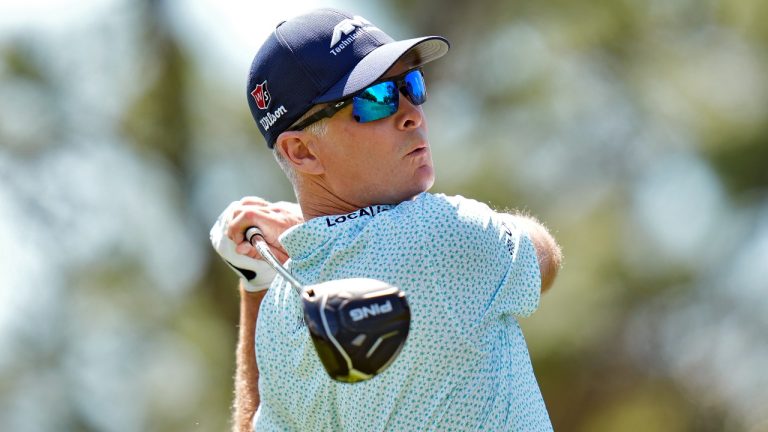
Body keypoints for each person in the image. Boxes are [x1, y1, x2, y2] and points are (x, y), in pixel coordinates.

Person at [209, 8, 562, 432]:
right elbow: (545, 256)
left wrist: (258, 283)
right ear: (302, 152)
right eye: (375, 100)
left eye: (411, 85)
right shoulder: (438, 232)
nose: (412, 113)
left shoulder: (281, 318)